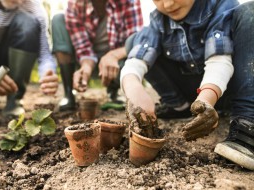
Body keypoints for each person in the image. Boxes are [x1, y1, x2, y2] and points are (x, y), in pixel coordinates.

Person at [121, 0, 254, 170]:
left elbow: (219, 61)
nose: (168, 5)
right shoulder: (158, 19)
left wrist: (206, 99)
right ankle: (180, 107)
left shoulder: (220, 6)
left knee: (250, 12)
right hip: (193, 95)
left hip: (225, 89)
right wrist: (134, 89)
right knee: (134, 41)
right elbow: (136, 61)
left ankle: (247, 123)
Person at [51, 0, 143, 111]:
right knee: (58, 19)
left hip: (117, 63)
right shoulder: (75, 3)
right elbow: (83, 48)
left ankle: (114, 91)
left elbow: (136, 42)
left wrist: (113, 56)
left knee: (134, 57)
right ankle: (68, 92)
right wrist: (86, 67)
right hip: (85, 61)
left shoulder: (129, 2)